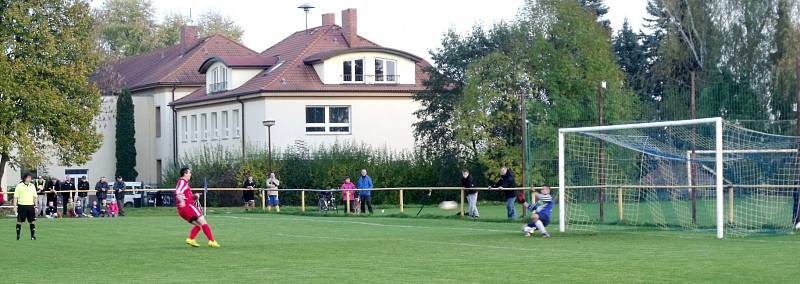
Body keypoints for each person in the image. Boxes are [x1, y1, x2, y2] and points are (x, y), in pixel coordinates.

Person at [175, 167, 219, 248]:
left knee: (199, 225)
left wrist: (195, 196)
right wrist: (182, 201)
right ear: (185, 174)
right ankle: (212, 241)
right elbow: (178, 193)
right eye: (189, 173)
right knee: (204, 222)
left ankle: (191, 239)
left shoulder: (183, 183)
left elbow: (187, 196)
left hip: (182, 210)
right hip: (188, 206)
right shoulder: (182, 182)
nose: (190, 174)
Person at [14, 173, 38, 240]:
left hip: (30, 206)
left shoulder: (32, 186)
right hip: (22, 206)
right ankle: (18, 236)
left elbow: (35, 197)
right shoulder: (19, 186)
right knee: (19, 221)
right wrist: (15, 207)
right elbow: (15, 197)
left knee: (32, 221)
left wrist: (36, 206)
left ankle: (33, 236)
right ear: (25, 178)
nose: (30, 179)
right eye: (29, 177)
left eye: (31, 177)